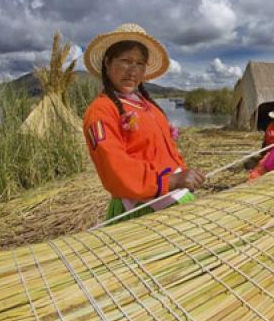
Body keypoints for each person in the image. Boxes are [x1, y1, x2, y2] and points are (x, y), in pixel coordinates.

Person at [82, 23, 205, 222]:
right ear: (107, 62)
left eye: (140, 64)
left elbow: (165, 151)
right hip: (143, 209)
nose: (133, 71)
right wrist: (171, 181)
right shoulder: (101, 111)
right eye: (126, 61)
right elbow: (115, 168)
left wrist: (183, 174)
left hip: (173, 196)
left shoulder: (148, 105)